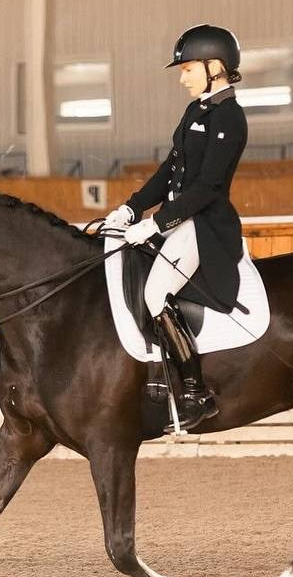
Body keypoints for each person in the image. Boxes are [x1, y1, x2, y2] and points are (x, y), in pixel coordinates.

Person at [105, 24, 248, 431]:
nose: (182, 77)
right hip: (178, 219)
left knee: (155, 293)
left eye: (188, 69)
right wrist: (131, 209)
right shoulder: (197, 111)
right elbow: (170, 169)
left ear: (215, 67)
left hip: (204, 224)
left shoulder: (229, 117)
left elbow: (208, 187)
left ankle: (194, 392)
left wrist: (155, 223)